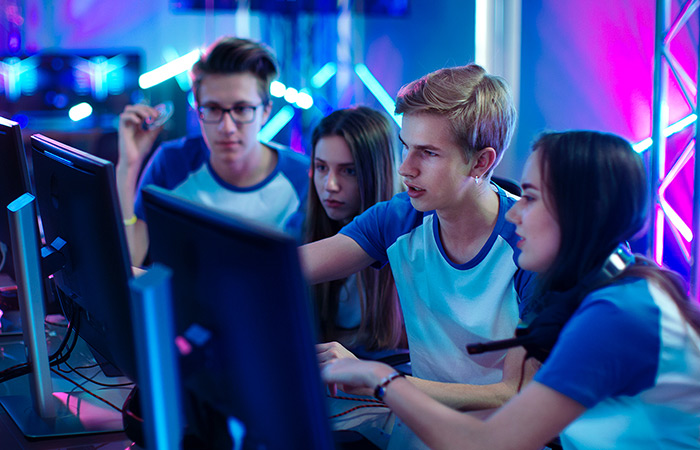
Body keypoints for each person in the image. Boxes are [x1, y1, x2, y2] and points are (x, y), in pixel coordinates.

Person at [321, 130, 700, 450]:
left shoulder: (618, 314)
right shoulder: (596, 294)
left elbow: (489, 444)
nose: (515, 213)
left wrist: (379, 379)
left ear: (581, 212)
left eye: (531, 198)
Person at [301, 64, 536, 449]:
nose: (405, 168)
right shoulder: (399, 218)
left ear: (481, 162)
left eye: (427, 153)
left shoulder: (530, 246)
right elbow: (282, 270)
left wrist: (379, 379)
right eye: (405, 146)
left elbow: (514, 392)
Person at [117, 36, 309, 266]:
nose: (226, 127)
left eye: (241, 109)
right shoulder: (172, 162)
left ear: (266, 111)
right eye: (212, 109)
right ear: (197, 110)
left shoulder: (302, 177)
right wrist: (128, 164)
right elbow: (131, 261)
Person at [306, 106, 405, 352]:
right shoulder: (304, 226)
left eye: (348, 171)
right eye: (321, 167)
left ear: (377, 171)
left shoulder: (410, 238)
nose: (330, 185)